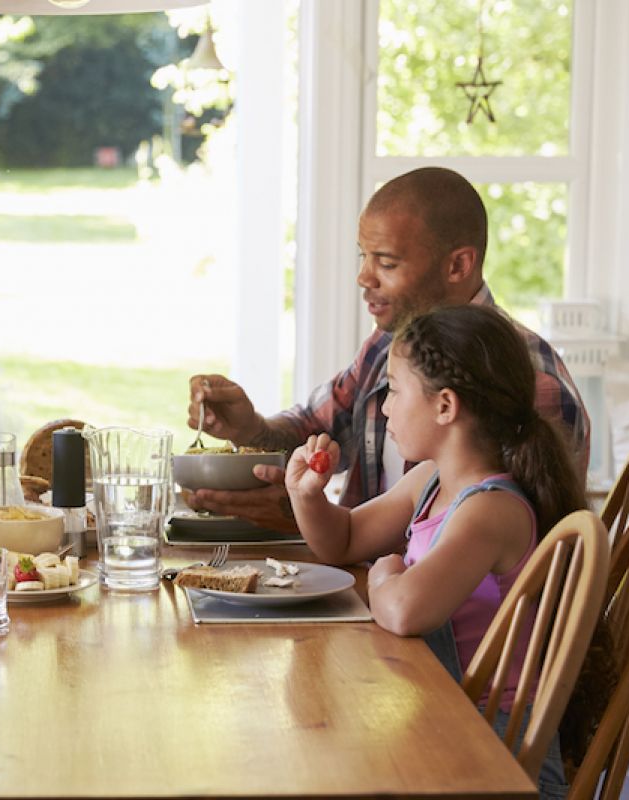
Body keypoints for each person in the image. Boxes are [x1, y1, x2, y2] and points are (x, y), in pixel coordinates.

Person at [283, 304, 583, 798]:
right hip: (445, 722)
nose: (383, 408)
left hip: (497, 754)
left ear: (445, 406)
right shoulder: (430, 480)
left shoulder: (490, 510)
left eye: (394, 391)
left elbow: (404, 612)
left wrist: (387, 573)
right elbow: (343, 541)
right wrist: (307, 495)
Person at [187, 167, 589, 532]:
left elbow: (504, 546)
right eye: (364, 256)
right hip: (364, 584)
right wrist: (251, 429)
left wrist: (304, 517)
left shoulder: (530, 380)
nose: (363, 277)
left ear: (458, 266)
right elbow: (315, 426)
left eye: (387, 263)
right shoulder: (388, 346)